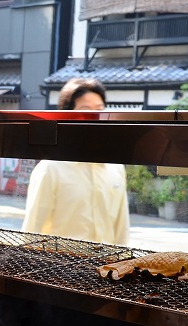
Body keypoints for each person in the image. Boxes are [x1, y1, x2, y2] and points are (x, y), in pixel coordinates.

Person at [21, 78, 130, 245]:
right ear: (67, 116)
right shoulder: (51, 168)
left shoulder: (115, 167)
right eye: (85, 110)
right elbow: (32, 230)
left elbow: (121, 228)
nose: (95, 117)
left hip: (106, 267)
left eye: (99, 110)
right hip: (58, 267)